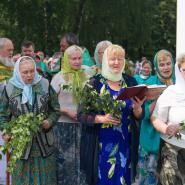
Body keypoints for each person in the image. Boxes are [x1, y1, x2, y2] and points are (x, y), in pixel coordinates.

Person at [78, 44, 145, 185]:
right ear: (105, 61)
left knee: (123, 179)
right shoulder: (94, 82)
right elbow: (81, 114)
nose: (116, 62)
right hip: (101, 144)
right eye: (112, 59)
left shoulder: (131, 82)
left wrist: (138, 108)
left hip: (125, 144)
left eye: (120, 59)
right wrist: (100, 118)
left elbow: (139, 115)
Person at [0, 56, 60, 185]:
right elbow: (3, 115)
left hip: (43, 145)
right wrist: (7, 131)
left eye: (32, 71)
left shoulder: (44, 84)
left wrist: (49, 122)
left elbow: (55, 109)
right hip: (20, 147)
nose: (29, 75)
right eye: (25, 72)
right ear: (18, 72)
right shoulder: (9, 88)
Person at [51, 45, 89, 185]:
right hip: (63, 127)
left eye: (79, 58)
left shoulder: (86, 76)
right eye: (74, 59)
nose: (77, 61)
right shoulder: (58, 78)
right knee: (65, 163)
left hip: (83, 126)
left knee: (81, 162)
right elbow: (49, 103)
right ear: (67, 59)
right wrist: (66, 111)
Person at [136, 49, 175, 185]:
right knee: (146, 178)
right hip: (150, 137)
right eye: (162, 64)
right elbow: (142, 114)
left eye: (168, 63)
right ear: (156, 67)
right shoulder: (150, 84)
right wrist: (157, 98)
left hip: (172, 140)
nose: (165, 67)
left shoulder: (179, 82)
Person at [151, 54, 185, 185]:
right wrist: (166, 128)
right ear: (179, 70)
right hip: (172, 148)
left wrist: (181, 125)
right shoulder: (171, 92)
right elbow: (155, 118)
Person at [0, 37, 14, 185]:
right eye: (8, 50)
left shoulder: (13, 68)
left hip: (12, 121)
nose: (12, 52)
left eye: (12, 49)